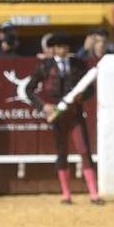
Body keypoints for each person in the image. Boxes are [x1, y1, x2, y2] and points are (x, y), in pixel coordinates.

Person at [27, 34, 104, 205]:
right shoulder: (45, 66)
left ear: (68, 48)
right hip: (57, 115)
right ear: (53, 48)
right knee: (62, 152)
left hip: (75, 113)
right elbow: (29, 89)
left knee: (84, 151)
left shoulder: (78, 65)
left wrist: (82, 96)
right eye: (59, 47)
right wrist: (43, 106)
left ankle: (94, 194)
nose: (62, 50)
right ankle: (66, 194)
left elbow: (90, 90)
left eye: (65, 47)